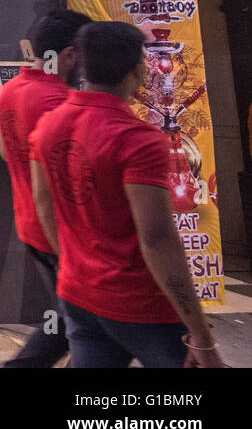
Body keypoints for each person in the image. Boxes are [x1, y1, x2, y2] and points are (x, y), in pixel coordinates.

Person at [30, 21, 225, 368]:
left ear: (81, 64)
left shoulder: (49, 125)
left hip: (79, 294)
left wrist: (76, 267)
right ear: (138, 69)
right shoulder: (138, 139)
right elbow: (158, 239)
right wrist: (201, 335)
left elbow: (44, 207)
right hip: (142, 304)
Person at [0, 8, 90, 367]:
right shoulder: (58, 103)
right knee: (76, 321)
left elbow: (6, 152)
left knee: (75, 319)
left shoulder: (11, 90)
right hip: (60, 232)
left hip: (32, 225)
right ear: (68, 55)